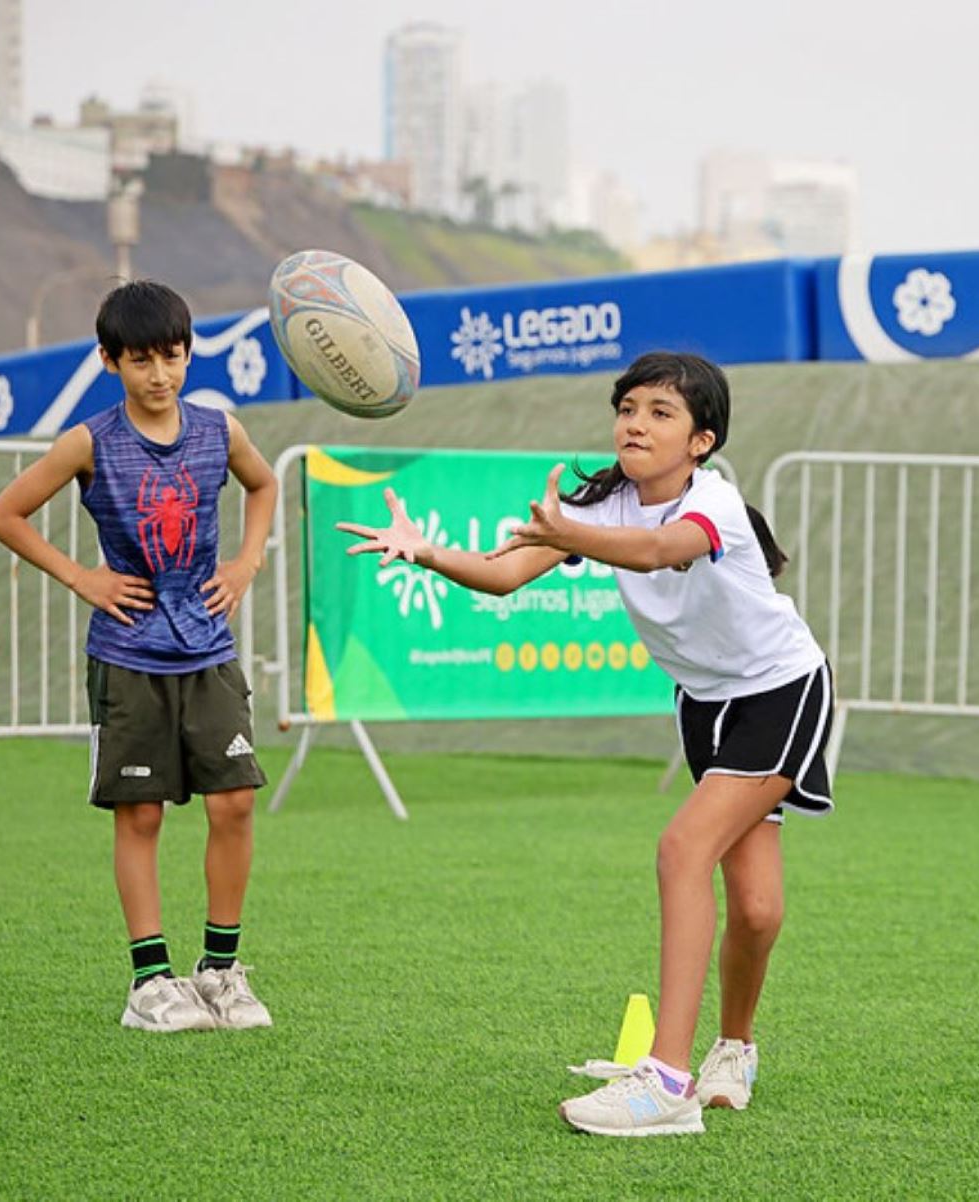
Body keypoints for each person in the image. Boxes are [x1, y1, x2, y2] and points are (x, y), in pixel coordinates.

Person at [337, 351, 833, 1136]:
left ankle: (667, 1083)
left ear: (702, 441)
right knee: (759, 908)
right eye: (628, 407)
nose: (636, 422)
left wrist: (573, 529)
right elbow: (504, 576)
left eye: (661, 413)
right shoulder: (604, 504)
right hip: (705, 704)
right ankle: (734, 1047)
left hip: (780, 692)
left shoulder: (716, 505)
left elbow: (661, 551)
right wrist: (427, 550)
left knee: (681, 851)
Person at [0, 280, 278, 1033]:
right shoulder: (89, 441)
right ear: (109, 360)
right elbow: (4, 513)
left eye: (172, 356)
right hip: (128, 657)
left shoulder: (219, 429)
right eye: (140, 359)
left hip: (209, 649)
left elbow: (265, 483)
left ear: (188, 354)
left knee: (236, 801)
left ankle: (220, 973)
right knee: (140, 814)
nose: (160, 375)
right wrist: (82, 577)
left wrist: (246, 564)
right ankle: (150, 982)